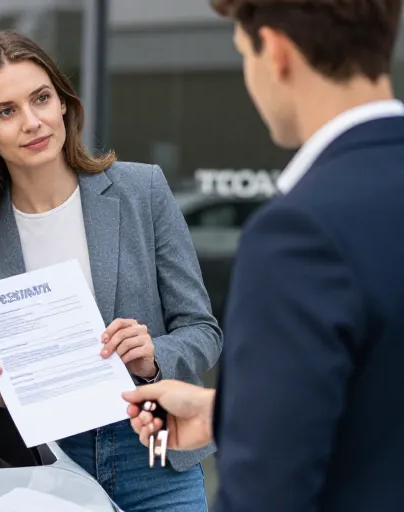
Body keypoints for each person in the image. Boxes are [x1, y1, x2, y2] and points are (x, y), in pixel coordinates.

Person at [122, 1, 404, 511]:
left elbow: (268, 495)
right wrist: (229, 415)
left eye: (241, 53)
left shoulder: (299, 234)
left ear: (274, 52)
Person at [0, 31, 223, 512]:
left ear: (64, 104)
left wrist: (152, 355)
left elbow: (204, 331)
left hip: (154, 449)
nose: (32, 122)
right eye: (7, 111)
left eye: (41, 99)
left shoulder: (142, 191)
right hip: (51, 465)